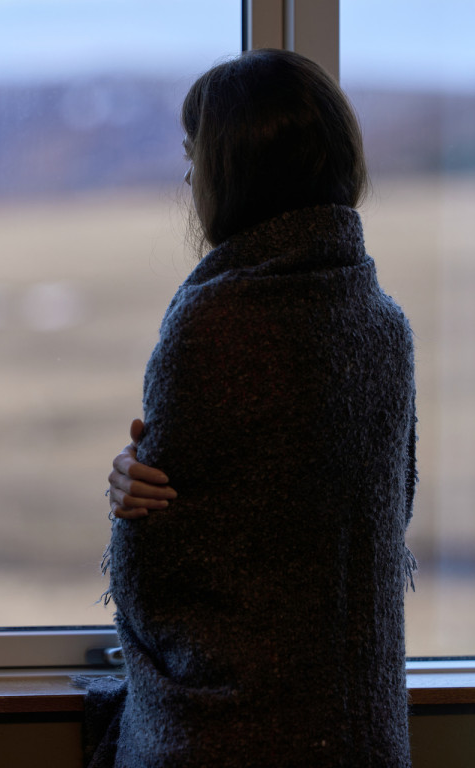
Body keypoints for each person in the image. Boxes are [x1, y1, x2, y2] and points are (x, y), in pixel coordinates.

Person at [80, 49, 417, 768]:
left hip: (229, 739)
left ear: (233, 172)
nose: (187, 178)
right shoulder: (386, 327)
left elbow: (154, 570)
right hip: (363, 730)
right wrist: (136, 474)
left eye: (192, 157)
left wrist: (131, 513)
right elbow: (374, 520)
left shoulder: (216, 324)